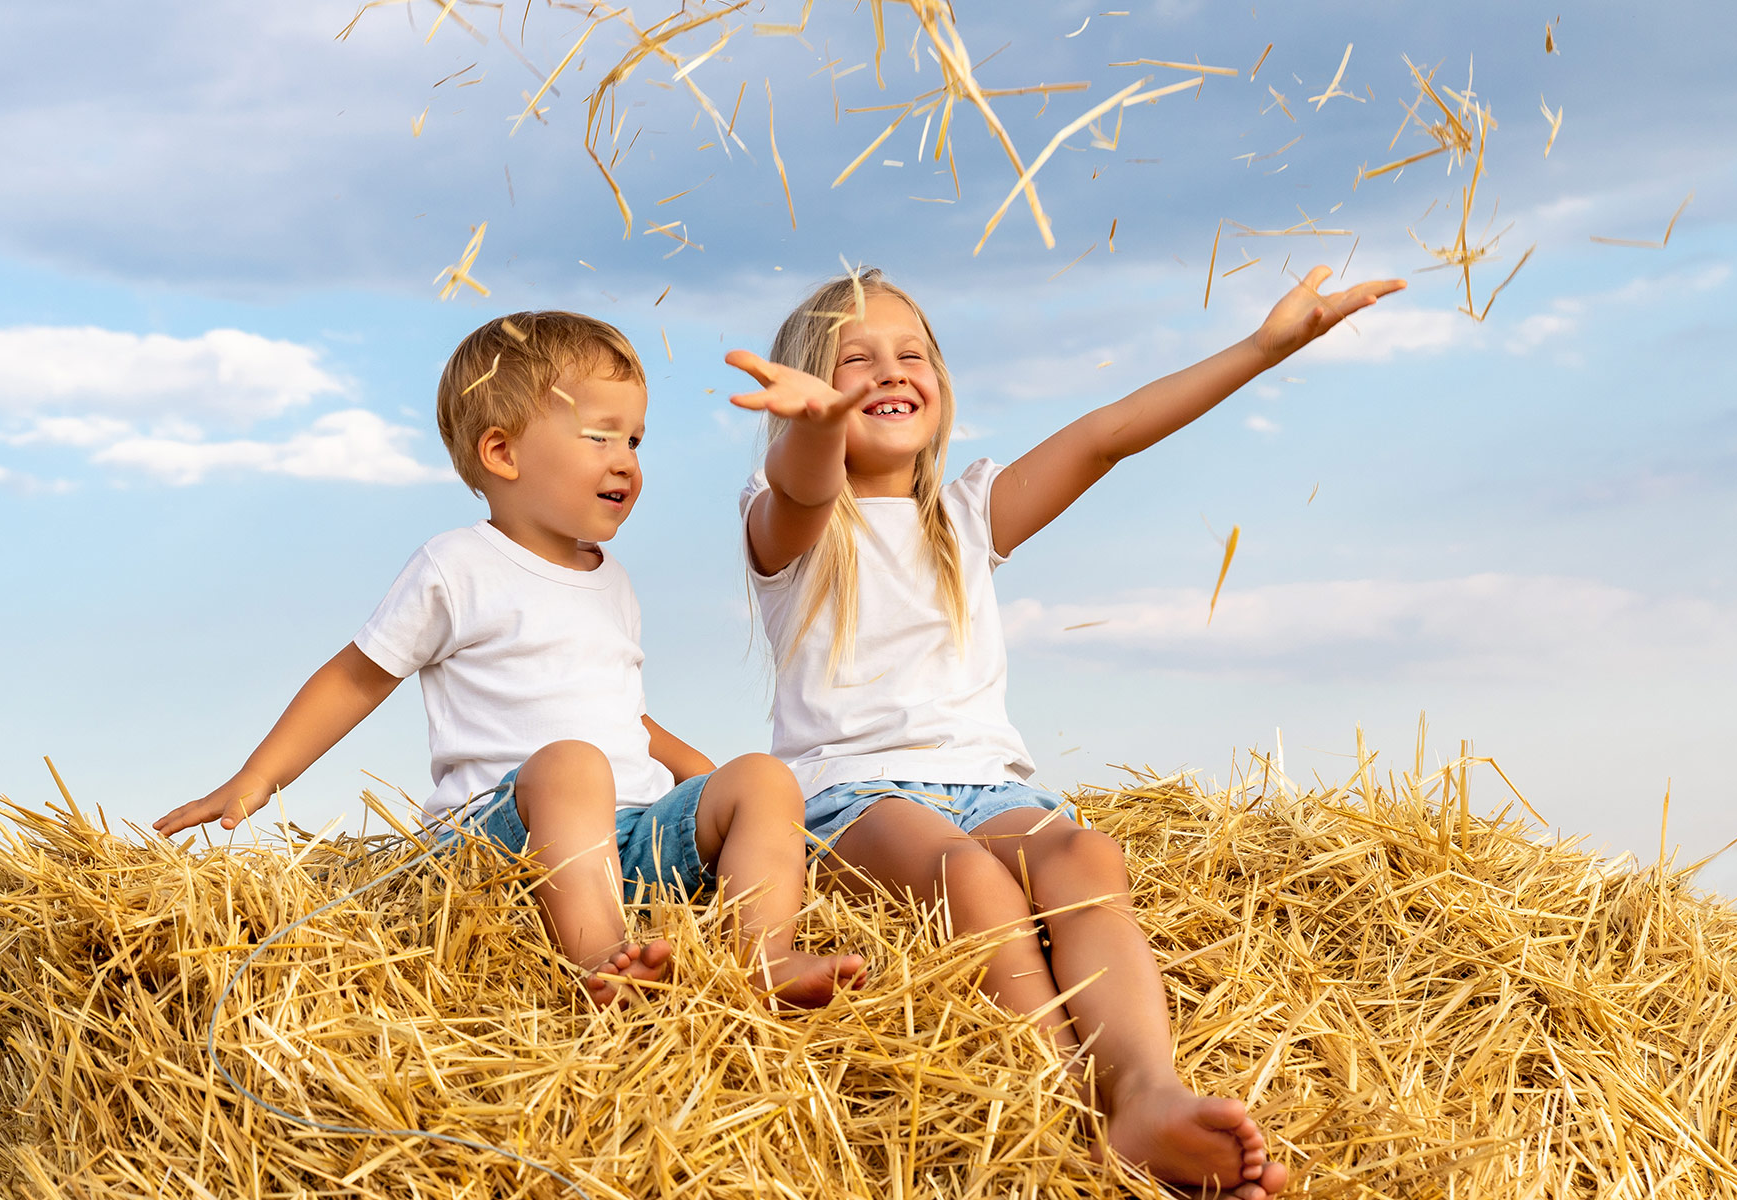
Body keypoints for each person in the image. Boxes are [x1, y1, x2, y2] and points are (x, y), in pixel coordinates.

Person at [726, 266, 1403, 1197]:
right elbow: (798, 489)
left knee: (1085, 854)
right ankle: (1066, 1110)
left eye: (911, 355)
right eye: (854, 361)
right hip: (852, 796)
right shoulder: (792, 529)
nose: (887, 373)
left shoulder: (965, 514)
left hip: (993, 787)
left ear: (942, 382)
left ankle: (1148, 1092)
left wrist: (1263, 348)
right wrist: (814, 431)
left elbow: (1107, 435)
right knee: (964, 873)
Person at [156, 310, 864, 1009]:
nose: (627, 460)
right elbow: (355, 677)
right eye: (599, 436)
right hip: (500, 850)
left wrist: (712, 784)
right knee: (572, 764)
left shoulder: (610, 579)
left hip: (629, 840)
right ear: (502, 453)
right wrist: (256, 778)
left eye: (636, 439)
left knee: (765, 777)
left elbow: (625, 716)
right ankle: (604, 962)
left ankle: (765, 957)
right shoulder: (457, 566)